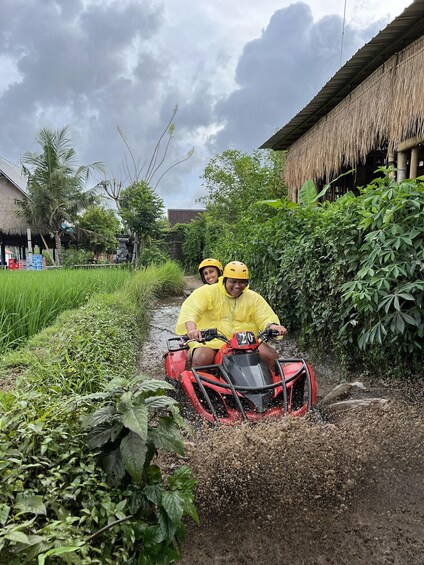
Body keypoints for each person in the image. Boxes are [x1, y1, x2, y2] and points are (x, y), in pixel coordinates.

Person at [176, 261, 287, 371]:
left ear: (247, 282)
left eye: (242, 282)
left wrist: (273, 326)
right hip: (212, 340)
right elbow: (192, 310)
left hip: (246, 342)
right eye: (233, 282)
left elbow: (265, 317)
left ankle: (274, 387)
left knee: (272, 357)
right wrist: (192, 329)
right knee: (202, 358)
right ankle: (197, 388)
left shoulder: (253, 297)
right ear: (224, 280)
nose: (237, 286)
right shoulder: (207, 292)